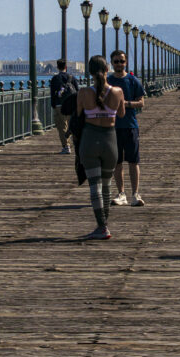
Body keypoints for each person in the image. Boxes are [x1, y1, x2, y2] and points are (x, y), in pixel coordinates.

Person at [76, 55, 126, 239]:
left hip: (90, 139)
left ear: (90, 72)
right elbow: (121, 114)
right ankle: (105, 225)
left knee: (94, 186)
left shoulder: (83, 93)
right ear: (107, 70)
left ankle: (102, 226)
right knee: (107, 185)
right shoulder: (118, 92)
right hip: (110, 140)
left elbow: (79, 113)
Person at [107, 49, 146, 207]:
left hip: (130, 125)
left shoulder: (133, 80)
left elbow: (141, 102)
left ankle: (135, 193)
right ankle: (121, 193)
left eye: (121, 61)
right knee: (116, 162)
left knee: (133, 161)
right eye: (116, 61)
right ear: (112, 63)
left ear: (126, 62)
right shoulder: (108, 81)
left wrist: (126, 104)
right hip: (112, 127)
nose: (119, 64)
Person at [49, 58, 78, 154]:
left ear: (57, 67)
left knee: (62, 127)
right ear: (66, 67)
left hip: (59, 105)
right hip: (72, 105)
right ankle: (76, 144)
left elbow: (52, 93)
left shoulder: (55, 79)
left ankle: (66, 146)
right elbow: (77, 91)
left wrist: (53, 104)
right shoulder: (72, 78)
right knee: (72, 125)